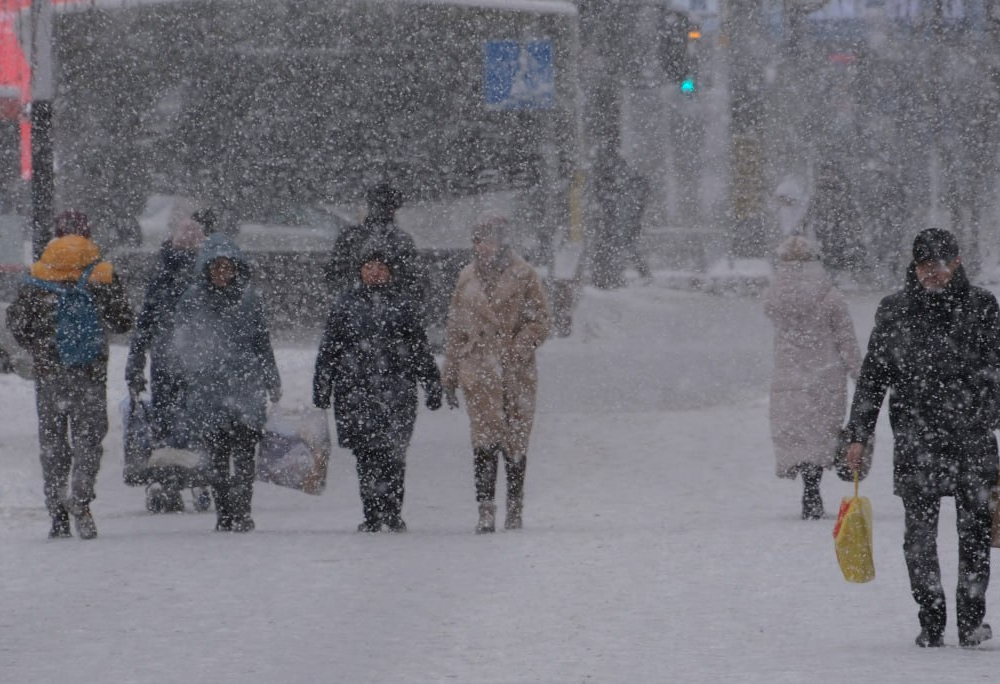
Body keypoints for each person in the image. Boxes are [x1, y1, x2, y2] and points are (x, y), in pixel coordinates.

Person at [844, 228, 1000, 648]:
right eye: (925, 265)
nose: (933, 272)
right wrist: (858, 434)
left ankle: (970, 622)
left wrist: (988, 410)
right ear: (914, 267)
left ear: (958, 262)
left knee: (975, 534)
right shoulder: (894, 311)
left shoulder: (983, 307)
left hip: (973, 437)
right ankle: (931, 620)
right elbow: (873, 378)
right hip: (918, 439)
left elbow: (997, 369)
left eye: (941, 264)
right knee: (919, 536)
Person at [6, 210, 134, 539]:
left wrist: (41, 344)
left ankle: (57, 514)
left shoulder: (38, 274)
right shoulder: (101, 273)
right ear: (88, 235)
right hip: (90, 372)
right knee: (88, 441)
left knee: (53, 444)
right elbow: (123, 321)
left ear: (57, 235)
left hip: (49, 373)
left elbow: (17, 325)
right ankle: (80, 498)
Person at [313, 248, 443, 533]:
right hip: (355, 392)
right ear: (360, 271)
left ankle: (393, 511)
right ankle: (372, 512)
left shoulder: (403, 306)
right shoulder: (345, 305)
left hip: (396, 392)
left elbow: (419, 349)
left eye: (381, 267)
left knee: (394, 454)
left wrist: (432, 383)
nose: (374, 272)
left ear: (390, 272)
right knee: (366, 455)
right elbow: (330, 349)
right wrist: (322, 385)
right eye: (369, 266)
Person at [441, 215, 551, 533]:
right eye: (477, 240)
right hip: (478, 371)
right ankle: (485, 510)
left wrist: (520, 344)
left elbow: (541, 320)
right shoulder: (466, 278)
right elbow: (456, 330)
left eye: (488, 239)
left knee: (515, 442)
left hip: (516, 372)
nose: (482, 247)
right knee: (483, 441)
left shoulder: (524, 275)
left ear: (502, 241)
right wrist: (449, 376)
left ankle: (514, 507)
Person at [170, 233, 281, 533]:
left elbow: (262, 343)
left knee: (245, 455)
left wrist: (272, 380)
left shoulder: (249, 300)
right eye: (215, 267)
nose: (222, 274)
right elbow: (180, 342)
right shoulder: (192, 300)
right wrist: (184, 376)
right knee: (218, 458)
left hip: (244, 388)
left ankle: (242, 511)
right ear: (205, 269)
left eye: (227, 268)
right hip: (209, 391)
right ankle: (225, 512)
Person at [764, 236, 861, 519]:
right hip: (824, 375)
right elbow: (846, 340)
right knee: (820, 434)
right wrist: (861, 376)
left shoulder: (775, 297)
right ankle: (813, 487)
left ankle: (806, 487)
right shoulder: (830, 295)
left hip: (788, 375)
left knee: (798, 435)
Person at [125, 210, 209, 512]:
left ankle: (172, 479)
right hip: (181, 362)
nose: (187, 242)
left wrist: (135, 364)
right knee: (181, 421)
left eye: (191, 236)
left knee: (172, 421)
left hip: (177, 362)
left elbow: (145, 323)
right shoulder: (199, 273)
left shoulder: (164, 274)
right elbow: (146, 322)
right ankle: (184, 476)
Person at [323, 182, 426, 306]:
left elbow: (333, 275)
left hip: (354, 310)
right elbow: (415, 282)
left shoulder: (351, 236)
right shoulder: (401, 240)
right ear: (394, 209)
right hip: (392, 311)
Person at [801, 160, 867, 280]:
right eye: (827, 172)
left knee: (837, 250)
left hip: (838, 227)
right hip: (823, 227)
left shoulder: (842, 189)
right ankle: (830, 274)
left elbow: (849, 208)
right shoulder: (820, 189)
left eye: (831, 172)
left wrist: (853, 224)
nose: (829, 174)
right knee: (826, 251)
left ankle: (834, 274)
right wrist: (805, 223)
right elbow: (812, 207)